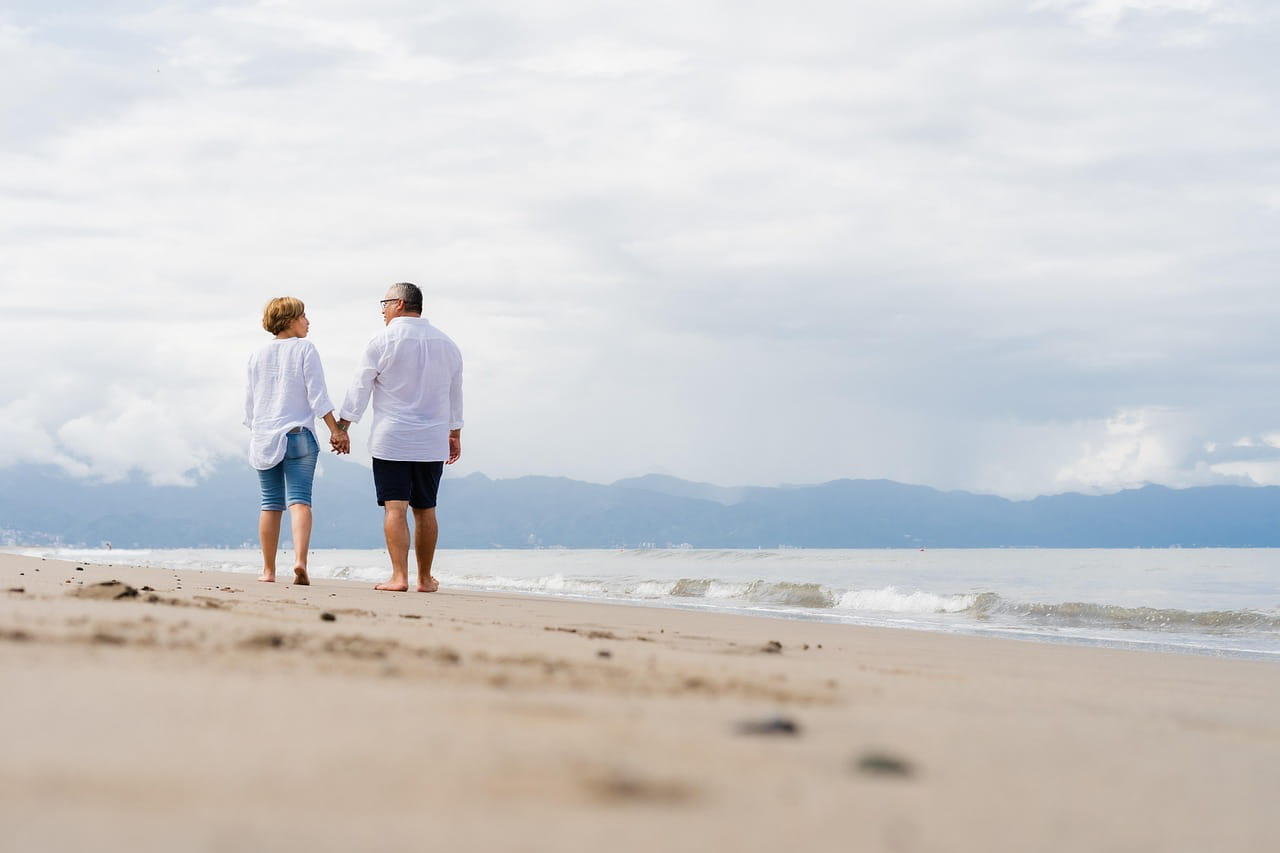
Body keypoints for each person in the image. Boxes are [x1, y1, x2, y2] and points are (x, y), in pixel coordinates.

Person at [337, 282, 463, 592]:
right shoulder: (447, 344)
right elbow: (454, 393)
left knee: (395, 507)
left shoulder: (382, 340)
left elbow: (360, 387)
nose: (382, 310)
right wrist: (455, 432)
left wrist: (343, 427)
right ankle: (424, 579)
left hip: (391, 438)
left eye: (384, 303)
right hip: (432, 439)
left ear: (400, 304)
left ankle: (399, 577)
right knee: (426, 508)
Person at [244, 297, 350, 585]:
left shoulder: (256, 355)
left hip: (265, 436)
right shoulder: (305, 349)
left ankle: (268, 571)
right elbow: (318, 396)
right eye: (303, 316)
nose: (308, 321)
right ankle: (300, 562)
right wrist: (336, 431)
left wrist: (258, 431)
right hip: (299, 436)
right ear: (290, 320)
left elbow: (251, 405)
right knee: (300, 501)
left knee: (270, 504)